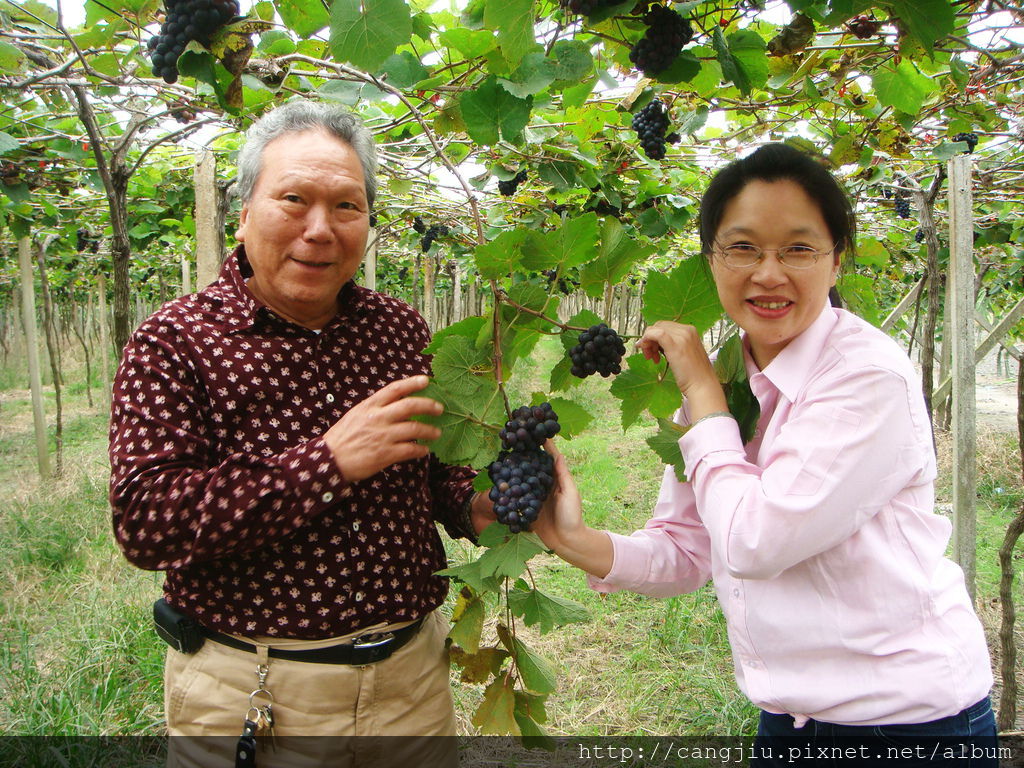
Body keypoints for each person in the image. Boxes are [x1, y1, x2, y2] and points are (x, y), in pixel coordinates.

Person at [534, 144, 998, 766]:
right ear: (712, 259)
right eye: (744, 248)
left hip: (908, 726)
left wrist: (698, 391)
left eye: (799, 249)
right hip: (788, 723)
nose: (769, 273)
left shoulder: (866, 376)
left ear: (836, 262)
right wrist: (570, 538)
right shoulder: (726, 379)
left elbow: (753, 540)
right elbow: (689, 548)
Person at [109, 100, 492, 767]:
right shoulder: (176, 341)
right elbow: (148, 520)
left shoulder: (398, 330)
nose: (320, 230)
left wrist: (479, 505)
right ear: (245, 209)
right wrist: (328, 463)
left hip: (411, 686)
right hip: (253, 697)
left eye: (347, 206)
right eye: (293, 199)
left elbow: (430, 468)